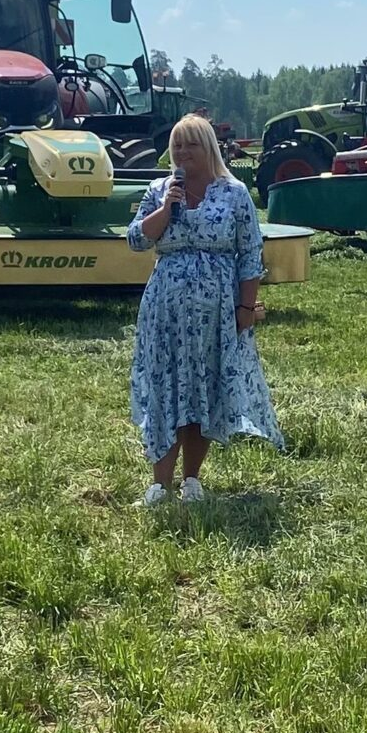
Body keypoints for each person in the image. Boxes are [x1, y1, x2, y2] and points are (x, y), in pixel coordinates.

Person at [125, 113, 284, 505]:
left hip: (216, 313)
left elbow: (250, 253)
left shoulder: (233, 193)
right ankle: (159, 483)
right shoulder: (160, 189)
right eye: (177, 144)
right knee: (167, 387)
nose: (182, 152)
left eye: (191, 144)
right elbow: (134, 240)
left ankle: (191, 479)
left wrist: (246, 306)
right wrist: (165, 209)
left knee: (202, 388)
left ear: (208, 148)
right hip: (166, 311)